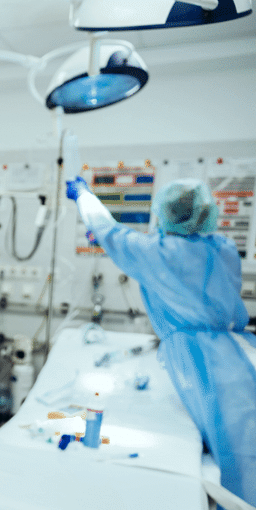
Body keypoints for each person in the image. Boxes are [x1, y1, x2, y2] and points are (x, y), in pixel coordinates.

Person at [67, 176, 256, 506]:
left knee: (242, 455)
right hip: (240, 350)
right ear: (204, 213)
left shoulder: (161, 253)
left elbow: (109, 231)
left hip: (207, 363)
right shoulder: (223, 248)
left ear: (164, 214)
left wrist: (84, 196)